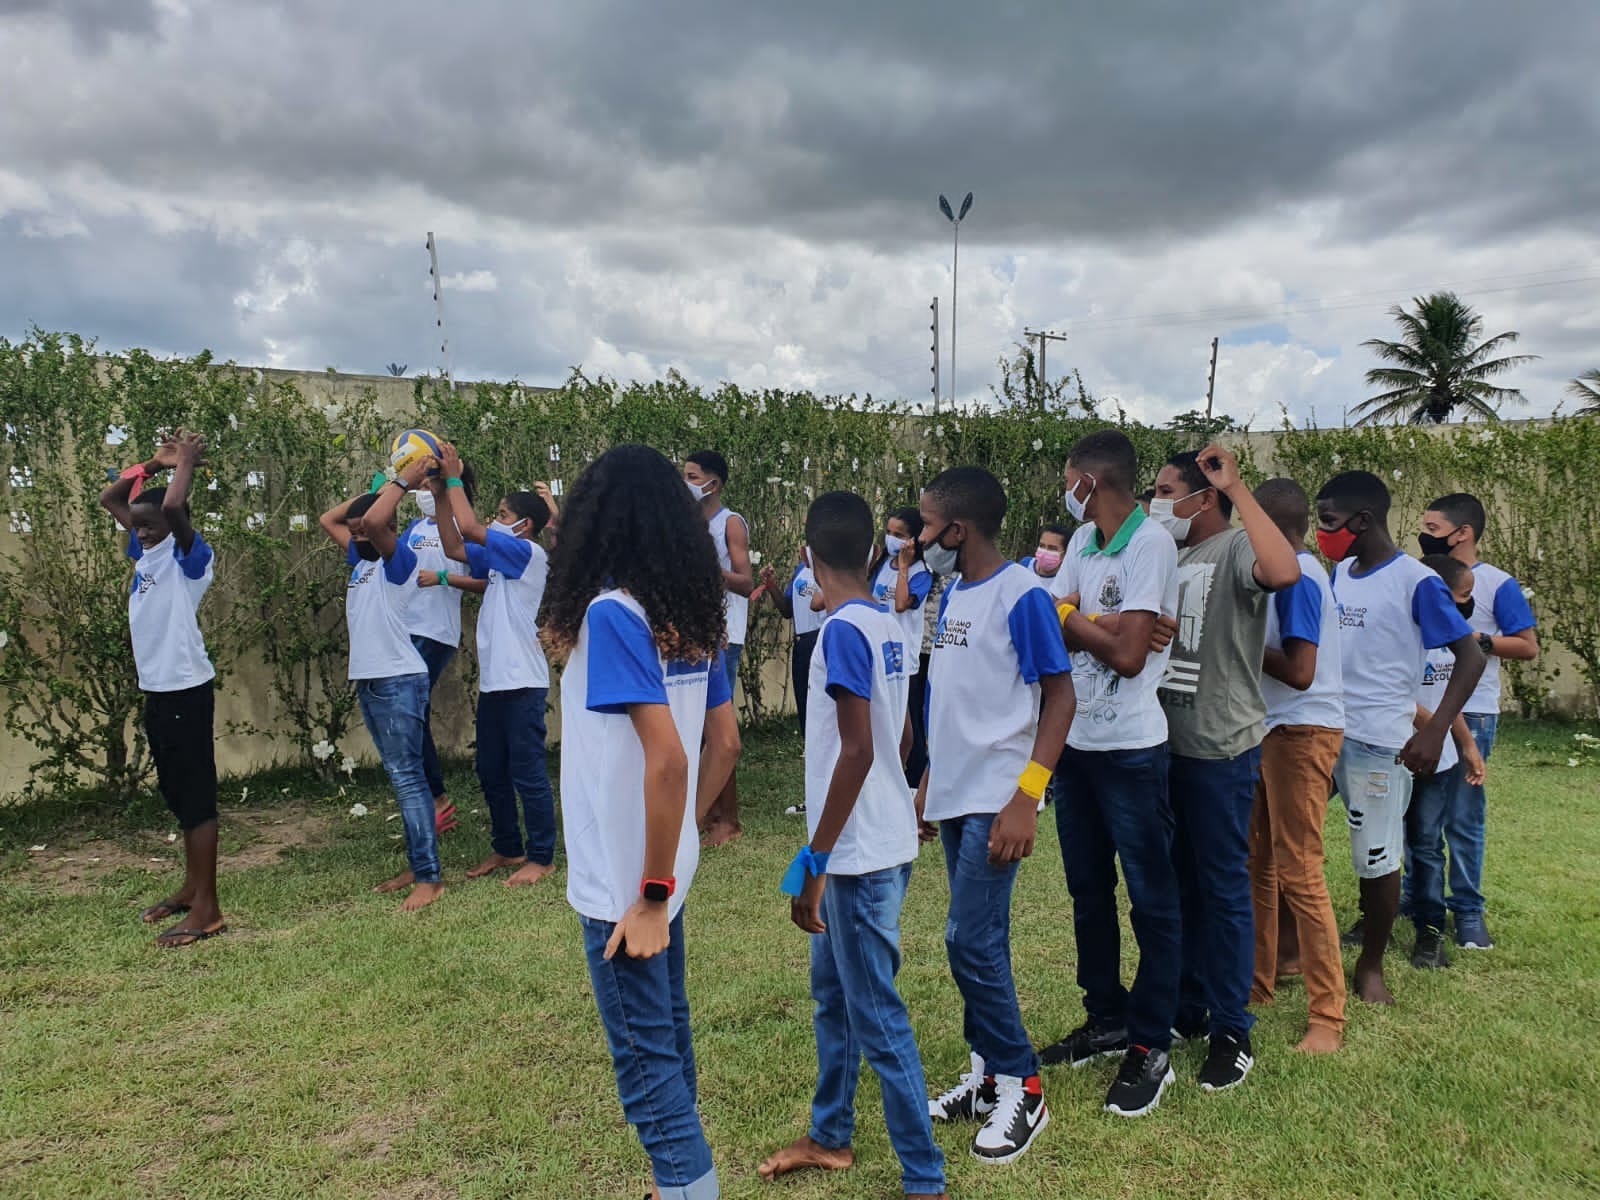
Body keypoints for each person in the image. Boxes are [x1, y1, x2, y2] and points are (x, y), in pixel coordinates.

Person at [539, 443, 737, 1200]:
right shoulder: (691, 617)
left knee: (649, 1077)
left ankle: (685, 1185)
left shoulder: (613, 615)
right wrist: (677, 842)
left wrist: (650, 893)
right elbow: (726, 744)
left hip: (628, 884)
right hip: (660, 866)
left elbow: (671, 760)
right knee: (668, 1045)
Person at [758, 490, 947, 1200]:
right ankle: (830, 1135)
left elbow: (859, 750)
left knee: (876, 1015)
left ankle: (925, 1178)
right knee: (834, 997)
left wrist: (815, 861)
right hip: (876, 840)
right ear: (872, 553)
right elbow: (901, 733)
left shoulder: (840, 630)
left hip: (856, 858)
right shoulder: (888, 624)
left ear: (808, 557)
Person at [918, 466, 1073, 1165]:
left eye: (927, 525)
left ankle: (1024, 1084)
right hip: (956, 793)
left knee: (968, 941)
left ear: (957, 530)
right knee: (984, 938)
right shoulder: (955, 592)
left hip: (997, 799)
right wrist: (929, 781)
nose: (919, 539)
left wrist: (1027, 796)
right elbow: (952, 698)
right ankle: (986, 1076)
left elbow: (1060, 697)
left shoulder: (1023, 595)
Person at [1042, 429, 1184, 1118]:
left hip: (1131, 750)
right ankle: (1106, 1016)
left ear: (1090, 483)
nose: (1066, 492)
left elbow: (1128, 658)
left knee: (1151, 898)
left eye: (1069, 480)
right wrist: (1089, 619)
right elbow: (1053, 618)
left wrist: (1076, 616)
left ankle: (1151, 1041)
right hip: (1076, 747)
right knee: (1088, 891)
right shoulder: (1081, 541)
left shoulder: (1150, 544)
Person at [1151, 446, 1302, 1091]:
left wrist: (1238, 489)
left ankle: (1232, 1028)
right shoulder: (1168, 556)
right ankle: (1188, 1007)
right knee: (1180, 887)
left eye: (1166, 492)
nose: (1156, 503)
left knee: (1222, 891)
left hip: (1221, 750)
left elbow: (1284, 570)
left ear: (1202, 497)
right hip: (1166, 747)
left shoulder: (1237, 547)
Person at [1315, 470, 1485, 1005]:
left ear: (1363, 520)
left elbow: (1471, 656)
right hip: (1325, 731)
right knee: (1292, 840)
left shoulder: (1416, 581)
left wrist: (1435, 730)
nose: (1323, 533)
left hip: (1379, 743)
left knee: (1377, 855)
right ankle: (1293, 946)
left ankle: (1370, 966)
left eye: (1330, 522)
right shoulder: (1341, 572)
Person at [100, 431, 226, 947]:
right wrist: (151, 464)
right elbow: (110, 498)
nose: (143, 533)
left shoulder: (189, 556)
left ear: (175, 527)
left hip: (185, 689)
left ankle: (208, 910)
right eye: (139, 527)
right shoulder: (146, 552)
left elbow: (173, 507)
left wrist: (185, 464)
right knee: (175, 792)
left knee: (196, 799)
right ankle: (191, 889)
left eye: (150, 526)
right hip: (158, 689)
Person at [320, 458, 461, 912]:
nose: (358, 536)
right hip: (371, 680)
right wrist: (379, 488)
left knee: (408, 778)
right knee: (402, 778)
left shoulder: (397, 563)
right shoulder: (361, 563)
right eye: (356, 532)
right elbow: (329, 519)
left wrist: (403, 482)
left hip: (398, 680)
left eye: (364, 531)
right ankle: (419, 866)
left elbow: (377, 523)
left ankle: (429, 877)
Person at [1247, 479, 1347, 1054]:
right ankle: (1257, 985)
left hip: (1302, 732)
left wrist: (1236, 642)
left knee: (1300, 871)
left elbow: (1301, 671)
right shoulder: (1281, 575)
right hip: (1269, 728)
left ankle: (1327, 1016)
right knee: (1257, 863)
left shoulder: (1301, 577)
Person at [1416, 493, 1538, 950]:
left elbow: (1527, 645)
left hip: (1473, 708)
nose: (1424, 535)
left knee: (1463, 816)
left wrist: (1472, 640)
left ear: (1462, 533)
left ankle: (1467, 910)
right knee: (1419, 815)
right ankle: (1414, 898)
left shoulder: (1496, 584)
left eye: (1432, 528)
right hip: (1422, 707)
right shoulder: (1421, 575)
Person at [434, 447, 560, 889]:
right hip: (496, 684)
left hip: (523, 682)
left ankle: (541, 856)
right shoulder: (501, 557)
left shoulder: (528, 553)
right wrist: (440, 493)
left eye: (503, 514)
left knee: (528, 773)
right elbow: (454, 545)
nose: (495, 518)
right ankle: (508, 847)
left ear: (524, 525)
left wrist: (453, 477)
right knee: (491, 770)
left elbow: (470, 528)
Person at [1404, 554, 1489, 970]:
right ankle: (1372, 918)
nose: (1467, 604)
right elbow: (1397, 695)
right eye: (1462, 595)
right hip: (1389, 749)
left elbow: (1444, 701)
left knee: (1425, 843)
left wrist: (1466, 744)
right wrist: (1431, 725)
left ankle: (1431, 931)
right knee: (1378, 841)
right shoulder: (1405, 633)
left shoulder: (1449, 643)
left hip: (1436, 760)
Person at [402, 463, 484, 836]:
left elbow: (485, 580)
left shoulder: (464, 530)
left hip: (435, 633)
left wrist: (443, 578)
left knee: (410, 709)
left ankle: (436, 801)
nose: (423, 489)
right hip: (404, 630)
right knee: (408, 713)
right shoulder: (415, 529)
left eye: (430, 483)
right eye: (421, 484)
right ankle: (431, 799)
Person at [686, 450, 754, 848]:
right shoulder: (688, 522)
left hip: (725, 636)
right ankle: (707, 812)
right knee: (699, 726)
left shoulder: (730, 523)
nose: (687, 483)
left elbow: (745, 582)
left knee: (719, 729)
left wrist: (705, 566)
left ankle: (728, 820)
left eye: (693, 476)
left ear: (714, 484)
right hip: (696, 633)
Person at [870, 507, 934, 786]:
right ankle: (885, 777)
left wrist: (904, 567)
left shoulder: (922, 573)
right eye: (889, 532)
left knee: (907, 726)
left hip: (903, 660)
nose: (892, 539)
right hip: (878, 653)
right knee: (884, 722)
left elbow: (900, 604)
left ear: (914, 540)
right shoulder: (882, 565)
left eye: (899, 535)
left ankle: (911, 780)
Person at [760, 546, 824, 818]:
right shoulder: (801, 570)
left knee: (821, 721)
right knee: (808, 722)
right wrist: (771, 586)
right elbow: (788, 610)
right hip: (801, 645)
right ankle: (813, 795)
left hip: (819, 641)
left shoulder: (829, 568)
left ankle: (824, 795)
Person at [1021, 524, 1073, 597]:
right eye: (1042, 545)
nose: (1045, 551)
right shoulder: (1025, 565)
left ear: (1064, 554)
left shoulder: (1066, 582)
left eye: (1052, 548)